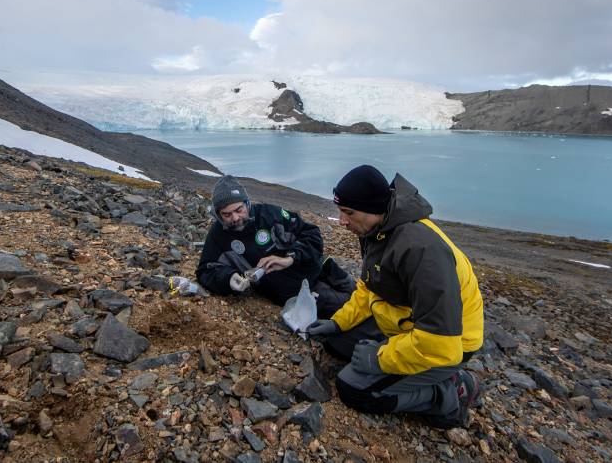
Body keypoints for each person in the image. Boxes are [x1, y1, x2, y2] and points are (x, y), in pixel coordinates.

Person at [306, 165, 484, 428]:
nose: (342, 221)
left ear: (372, 208)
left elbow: (440, 342)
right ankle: (399, 360)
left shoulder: (422, 250)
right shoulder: (378, 229)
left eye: (348, 213)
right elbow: (370, 287)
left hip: (451, 344)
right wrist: (338, 322)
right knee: (336, 342)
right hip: (405, 324)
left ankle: (452, 391)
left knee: (353, 388)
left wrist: (379, 358)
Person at [196, 175, 354, 317]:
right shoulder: (218, 235)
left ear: (247, 204)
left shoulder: (269, 214)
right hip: (298, 293)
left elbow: (311, 234)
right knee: (350, 311)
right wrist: (229, 278)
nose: (236, 218)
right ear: (218, 214)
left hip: (321, 268)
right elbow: (205, 270)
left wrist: (290, 258)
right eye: (227, 214)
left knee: (363, 295)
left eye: (239, 210)